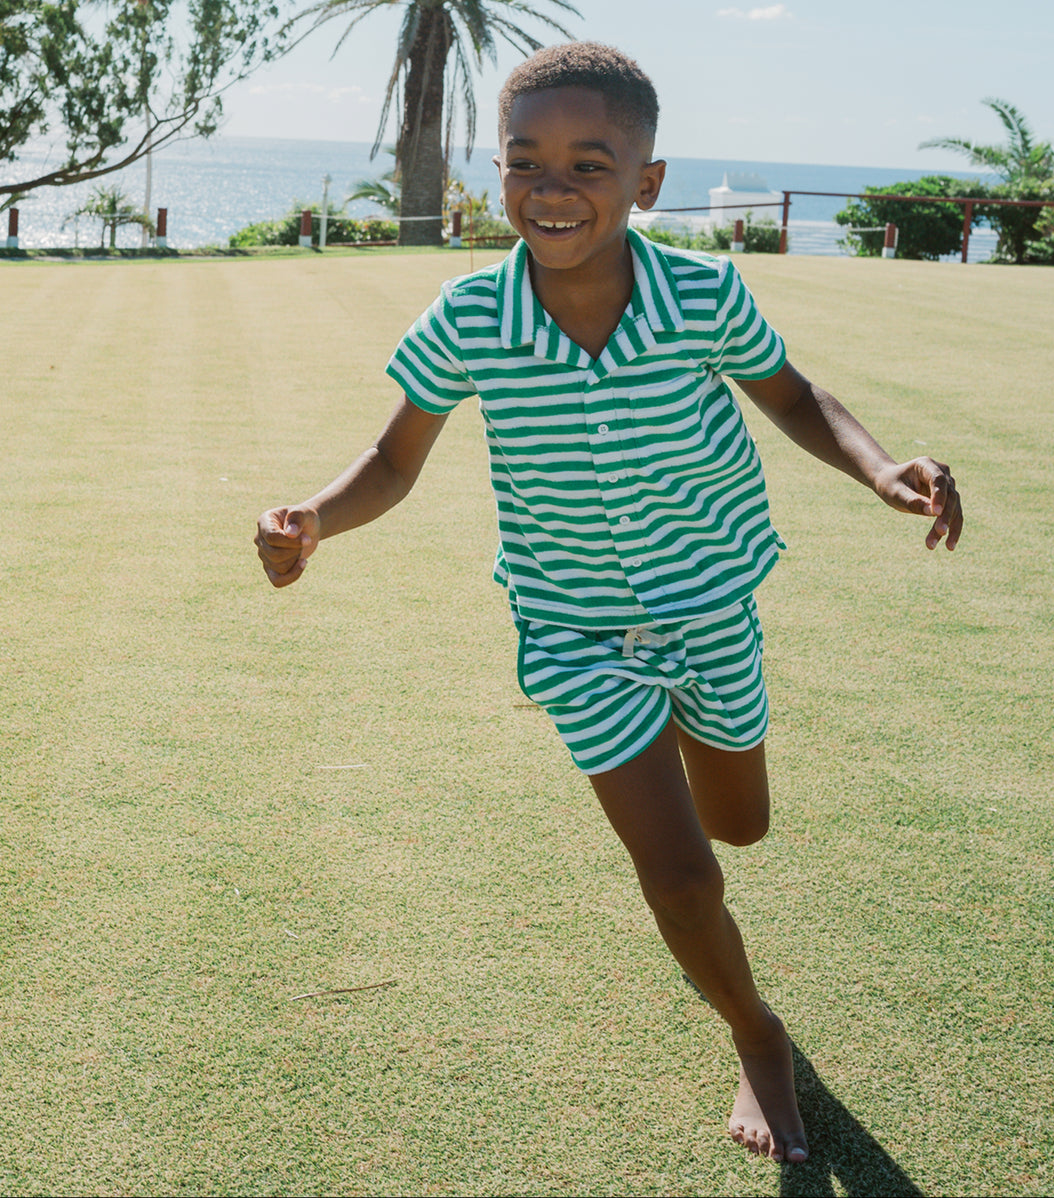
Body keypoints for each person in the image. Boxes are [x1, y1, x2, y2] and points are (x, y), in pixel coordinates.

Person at [255, 42, 962, 1168]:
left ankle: (686, 751)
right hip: (574, 631)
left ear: (647, 182)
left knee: (741, 824)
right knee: (683, 872)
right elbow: (392, 462)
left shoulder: (703, 294)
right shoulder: (471, 318)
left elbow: (793, 394)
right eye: (526, 160)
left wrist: (883, 470)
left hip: (711, 605)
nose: (553, 186)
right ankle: (757, 1034)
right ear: (499, 176)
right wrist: (312, 520)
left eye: (591, 162)